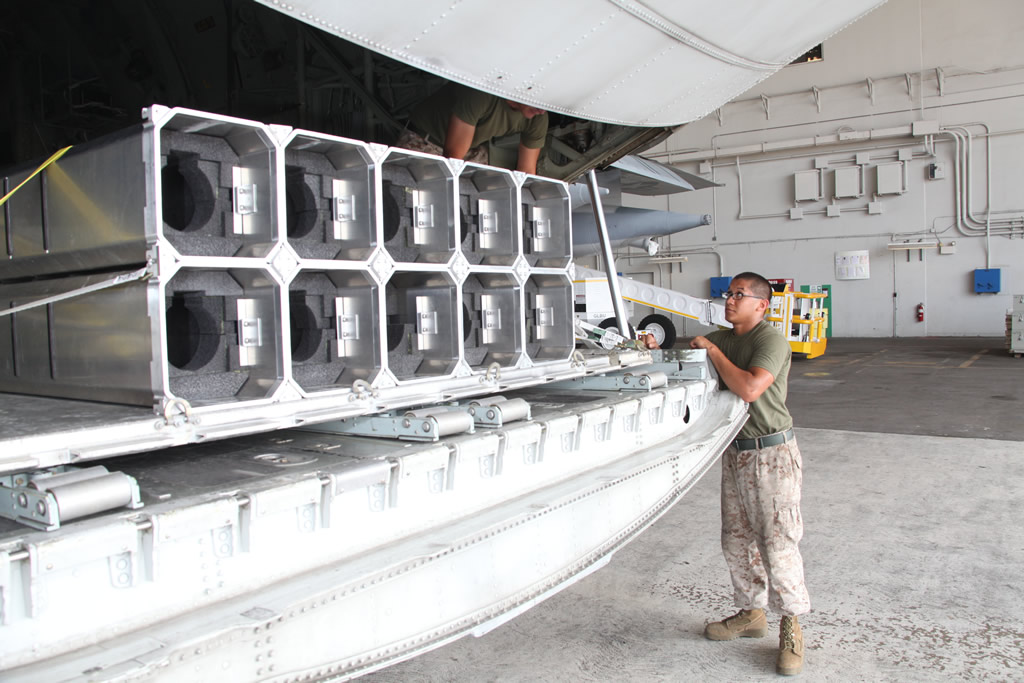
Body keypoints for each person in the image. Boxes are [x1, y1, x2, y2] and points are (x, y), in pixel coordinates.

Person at [642, 272, 809, 676]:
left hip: (772, 454)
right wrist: (651, 348)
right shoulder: (723, 337)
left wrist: (712, 352)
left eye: (739, 294)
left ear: (761, 305)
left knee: (777, 541)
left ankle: (792, 626)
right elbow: (686, 360)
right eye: (727, 294)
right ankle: (752, 614)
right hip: (735, 453)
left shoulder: (769, 340)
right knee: (736, 538)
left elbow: (750, 389)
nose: (729, 300)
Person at [395, 83, 548, 174]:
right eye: (537, 102)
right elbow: (452, 156)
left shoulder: (538, 116)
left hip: (467, 151)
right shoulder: (483, 93)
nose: (541, 110)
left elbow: (526, 172)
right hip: (426, 140)